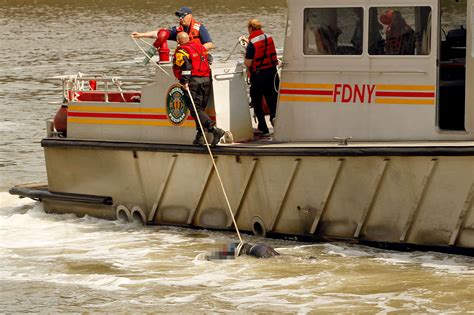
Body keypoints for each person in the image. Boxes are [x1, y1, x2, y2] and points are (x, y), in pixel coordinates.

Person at [172, 32, 224, 146]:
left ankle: (214, 130)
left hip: (194, 82)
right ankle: (200, 136)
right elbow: (209, 58)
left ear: (178, 41)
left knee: (195, 109)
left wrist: (185, 81)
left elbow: (186, 66)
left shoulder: (181, 51)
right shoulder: (200, 47)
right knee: (200, 110)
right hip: (206, 80)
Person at [243, 19, 279, 136]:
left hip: (259, 75)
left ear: (250, 28)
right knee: (272, 99)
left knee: (256, 101)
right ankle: (275, 120)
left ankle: (263, 128)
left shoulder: (252, 42)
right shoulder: (269, 37)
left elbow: (248, 63)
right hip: (272, 73)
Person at [131, 6, 214, 51]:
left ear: (190, 16)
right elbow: (160, 34)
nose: (180, 18)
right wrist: (141, 35)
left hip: (200, 59)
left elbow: (209, 44)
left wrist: (194, 52)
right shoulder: (178, 30)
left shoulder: (199, 27)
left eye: (182, 16)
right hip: (185, 60)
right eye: (179, 16)